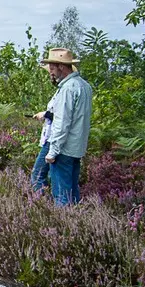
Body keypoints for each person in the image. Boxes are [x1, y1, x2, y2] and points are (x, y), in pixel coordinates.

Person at [42, 48, 93, 206]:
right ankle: (77, 224)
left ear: (61, 67)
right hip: (77, 149)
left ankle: (65, 227)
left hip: (64, 149)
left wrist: (53, 151)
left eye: (52, 67)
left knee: (61, 195)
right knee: (73, 191)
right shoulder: (84, 86)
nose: (50, 71)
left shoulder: (67, 89)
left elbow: (62, 123)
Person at [30, 69, 60, 192]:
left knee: (37, 175)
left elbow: (63, 117)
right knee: (52, 175)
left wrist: (45, 114)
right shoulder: (61, 90)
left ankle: (41, 204)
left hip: (54, 138)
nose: (50, 74)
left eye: (52, 70)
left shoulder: (66, 90)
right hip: (54, 137)